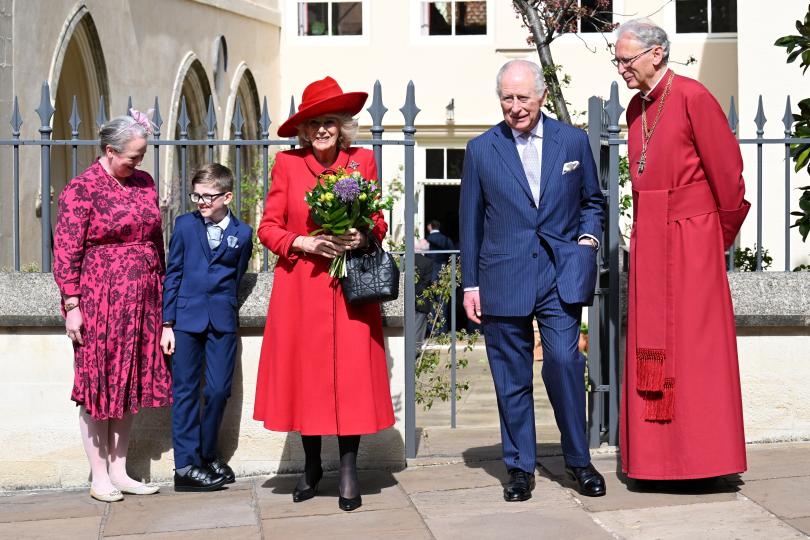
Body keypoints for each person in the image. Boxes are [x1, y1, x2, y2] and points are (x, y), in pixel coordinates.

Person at [460, 60, 606, 501]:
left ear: (542, 95)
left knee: (564, 363)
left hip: (560, 275)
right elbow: (470, 223)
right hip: (501, 275)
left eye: (523, 97)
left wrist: (586, 241)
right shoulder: (482, 148)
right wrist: (471, 285)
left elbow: (593, 203)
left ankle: (578, 461)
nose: (515, 107)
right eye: (507, 97)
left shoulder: (572, 141)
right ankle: (519, 468)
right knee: (511, 378)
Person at [614, 19, 749, 480]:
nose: (621, 68)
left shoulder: (693, 96)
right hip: (651, 238)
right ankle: (656, 463)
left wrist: (713, 239)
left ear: (656, 53)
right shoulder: (635, 109)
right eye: (617, 60)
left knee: (696, 351)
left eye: (626, 59)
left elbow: (729, 177)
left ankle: (706, 460)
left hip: (693, 239)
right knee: (653, 351)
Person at [253, 76, 394, 512]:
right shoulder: (287, 166)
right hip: (302, 290)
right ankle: (311, 464)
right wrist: (305, 243)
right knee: (308, 379)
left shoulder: (362, 161)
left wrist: (361, 234)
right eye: (313, 123)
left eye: (329, 122)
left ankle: (348, 470)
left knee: (349, 379)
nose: (321, 130)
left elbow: (377, 220)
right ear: (303, 129)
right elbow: (268, 228)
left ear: (342, 125)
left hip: (348, 289)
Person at [53, 111, 170, 502]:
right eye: (133, 157)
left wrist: (164, 292)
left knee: (129, 380)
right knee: (97, 383)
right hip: (99, 298)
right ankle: (99, 474)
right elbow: (66, 251)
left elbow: (157, 241)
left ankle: (120, 469)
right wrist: (72, 304)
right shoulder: (81, 189)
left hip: (143, 298)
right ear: (109, 150)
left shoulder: (144, 183)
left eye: (142, 156)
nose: (139, 163)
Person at [160, 163, 253, 492]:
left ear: (227, 196)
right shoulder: (184, 225)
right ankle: (185, 467)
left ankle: (206, 454)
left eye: (208, 196)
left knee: (217, 390)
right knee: (185, 391)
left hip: (222, 321)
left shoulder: (242, 234)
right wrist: (167, 323)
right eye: (196, 195)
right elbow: (173, 274)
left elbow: (237, 275)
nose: (200, 202)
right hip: (185, 320)